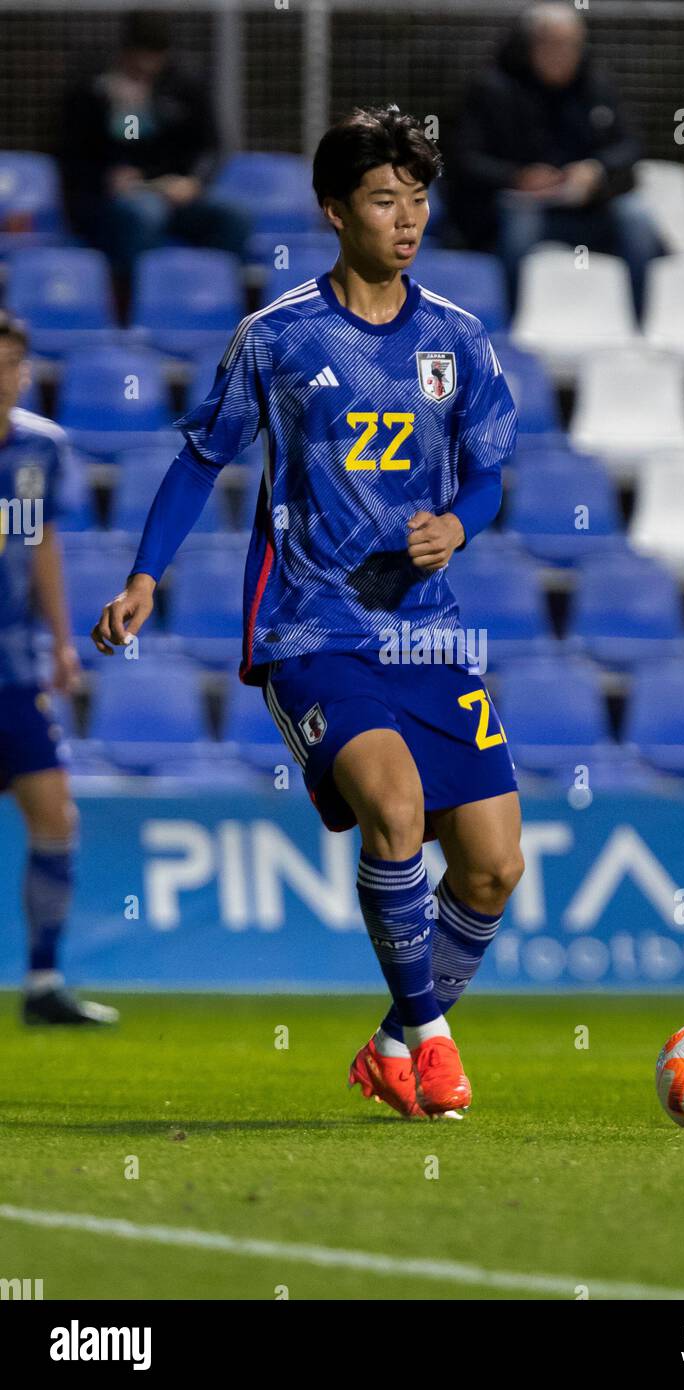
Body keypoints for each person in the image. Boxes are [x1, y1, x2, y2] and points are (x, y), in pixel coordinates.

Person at [91, 106, 524, 1119]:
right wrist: (146, 574)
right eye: (384, 199)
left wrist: (457, 526)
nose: (406, 218)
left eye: (417, 199)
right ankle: (430, 1035)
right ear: (334, 212)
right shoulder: (279, 337)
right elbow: (203, 458)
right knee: (396, 809)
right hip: (310, 626)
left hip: (429, 632)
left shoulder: (457, 339)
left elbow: (491, 476)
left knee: (495, 868)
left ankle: (387, 1039)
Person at [0, 313, 117, 1026]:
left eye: (13, 363)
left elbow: (41, 543)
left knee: (55, 816)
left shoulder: (41, 446)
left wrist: (64, 642)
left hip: (13, 669)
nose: (4, 375)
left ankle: (43, 979)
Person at [451, 2, 662, 312]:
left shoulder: (595, 85)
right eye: (553, 44)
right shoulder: (491, 88)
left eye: (573, 45)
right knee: (521, 224)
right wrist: (517, 177)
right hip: (514, 209)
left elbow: (629, 147)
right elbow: (464, 159)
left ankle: (642, 322)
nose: (564, 55)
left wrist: (596, 170)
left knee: (636, 218)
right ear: (529, 45)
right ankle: (514, 322)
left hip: (584, 206)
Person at [59, 10, 248, 287]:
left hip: (172, 193)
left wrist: (193, 181)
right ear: (125, 53)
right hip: (111, 203)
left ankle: (210, 295)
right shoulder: (91, 91)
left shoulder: (183, 86)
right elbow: (70, 158)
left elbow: (211, 146)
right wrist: (106, 177)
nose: (146, 67)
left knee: (234, 217)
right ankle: (139, 302)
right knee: (145, 213)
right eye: (138, 59)